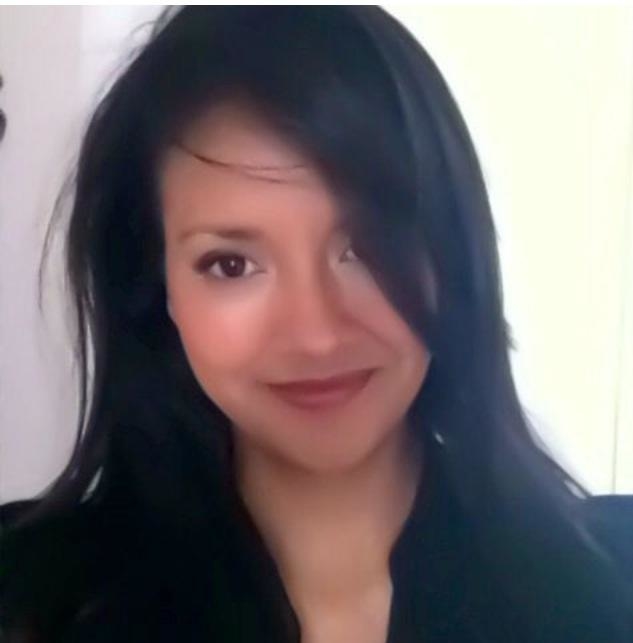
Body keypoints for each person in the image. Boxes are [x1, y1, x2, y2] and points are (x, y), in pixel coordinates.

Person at [1, 6, 632, 643]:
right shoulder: (30, 603)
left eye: (366, 246)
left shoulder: (612, 584)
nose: (317, 334)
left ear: (449, 253)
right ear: (155, 283)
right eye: (231, 264)